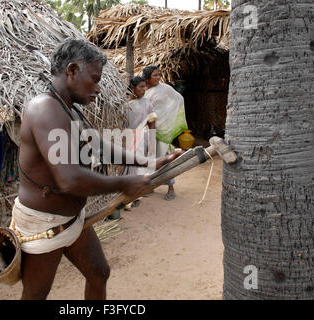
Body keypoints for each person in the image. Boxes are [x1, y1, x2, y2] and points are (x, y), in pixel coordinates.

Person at [13, 39, 182, 300]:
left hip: (72, 217)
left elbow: (99, 146)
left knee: (99, 273)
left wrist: (148, 162)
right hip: (43, 223)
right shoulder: (44, 109)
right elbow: (69, 180)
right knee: (35, 295)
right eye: (94, 79)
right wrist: (123, 184)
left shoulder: (69, 110)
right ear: (72, 70)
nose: (99, 89)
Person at [142, 65, 188, 201]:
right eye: (155, 75)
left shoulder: (165, 89)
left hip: (162, 128)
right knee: (149, 158)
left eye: (159, 74)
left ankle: (170, 187)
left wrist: (167, 116)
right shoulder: (142, 89)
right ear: (147, 77)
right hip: (148, 129)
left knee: (165, 158)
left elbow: (179, 99)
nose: (158, 77)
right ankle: (150, 186)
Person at [124, 76, 158, 208]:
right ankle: (128, 193)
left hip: (141, 137)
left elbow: (152, 122)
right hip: (127, 137)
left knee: (139, 165)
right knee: (127, 165)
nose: (144, 90)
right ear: (133, 88)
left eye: (145, 87)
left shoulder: (147, 103)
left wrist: (152, 139)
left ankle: (136, 195)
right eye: (141, 87)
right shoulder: (124, 104)